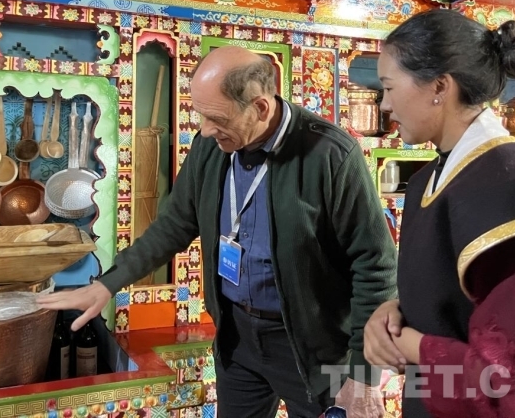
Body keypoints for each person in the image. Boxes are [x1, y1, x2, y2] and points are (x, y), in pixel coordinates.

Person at [38, 46, 398, 417]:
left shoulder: (330, 154)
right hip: (236, 337)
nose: (206, 130)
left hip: (312, 347)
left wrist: (363, 373)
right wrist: (107, 284)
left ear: (260, 108)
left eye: (216, 118)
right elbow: (175, 224)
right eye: (201, 115)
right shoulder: (211, 146)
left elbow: (375, 266)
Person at [363, 8, 515, 417]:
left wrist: (414, 346)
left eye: (389, 87)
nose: (385, 104)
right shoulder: (426, 180)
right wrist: (393, 315)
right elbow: (450, 296)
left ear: (440, 86)